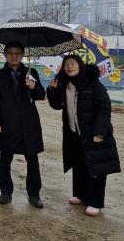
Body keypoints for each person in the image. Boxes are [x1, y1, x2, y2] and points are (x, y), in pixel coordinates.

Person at [47, 55, 120, 216]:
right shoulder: (64, 84)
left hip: (93, 133)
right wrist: (52, 90)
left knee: (97, 167)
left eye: (73, 64)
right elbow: (56, 105)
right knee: (79, 165)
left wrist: (100, 132)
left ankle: (95, 202)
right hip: (74, 133)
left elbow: (104, 108)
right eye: (66, 64)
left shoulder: (93, 84)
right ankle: (81, 195)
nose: (69, 67)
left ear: (79, 65)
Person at [0, 41, 46, 208]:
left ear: (22, 55)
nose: (14, 56)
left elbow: (41, 95)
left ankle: (34, 194)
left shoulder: (31, 72)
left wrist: (33, 86)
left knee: (32, 160)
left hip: (29, 123)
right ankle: (6, 192)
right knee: (5, 159)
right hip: (7, 123)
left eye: (18, 53)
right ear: (5, 55)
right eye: (10, 53)